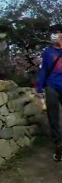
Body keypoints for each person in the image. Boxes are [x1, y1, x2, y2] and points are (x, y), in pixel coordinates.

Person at [36, 24, 62, 161]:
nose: (54, 35)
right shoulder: (48, 52)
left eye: (57, 32)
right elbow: (44, 70)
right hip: (52, 86)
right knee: (53, 117)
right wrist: (40, 88)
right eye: (52, 32)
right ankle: (59, 146)